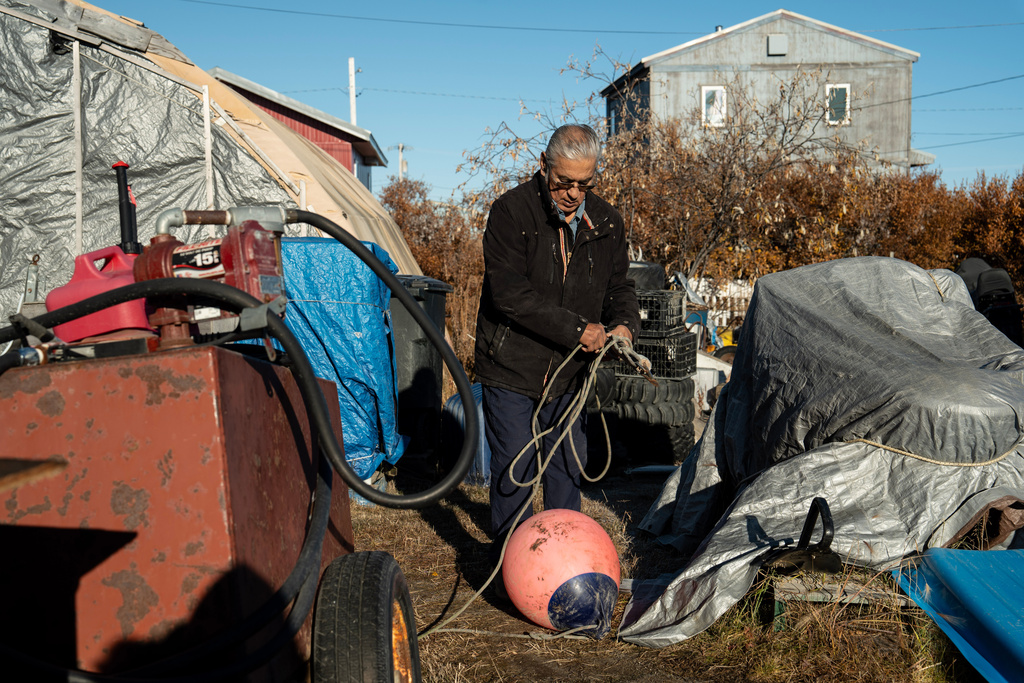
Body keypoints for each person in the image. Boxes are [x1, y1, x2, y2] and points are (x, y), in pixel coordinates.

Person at [474, 123, 640, 567]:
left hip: (570, 374)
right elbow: (508, 294)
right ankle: (514, 566)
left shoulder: (606, 222)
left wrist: (623, 324)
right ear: (543, 167)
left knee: (568, 465)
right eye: (564, 181)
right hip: (511, 364)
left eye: (584, 183)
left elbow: (619, 287)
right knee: (516, 469)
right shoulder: (511, 213)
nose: (572, 192)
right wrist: (575, 329)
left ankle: (562, 565)